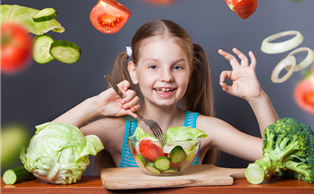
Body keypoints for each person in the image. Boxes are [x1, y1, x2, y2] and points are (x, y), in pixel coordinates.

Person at [53, 19, 279, 172]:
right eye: (153, 67)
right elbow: (46, 149)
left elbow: (280, 159)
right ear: (134, 71)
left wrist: (257, 98)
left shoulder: (205, 129)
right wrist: (93, 106)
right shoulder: (117, 131)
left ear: (190, 71)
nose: (166, 77)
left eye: (177, 67)